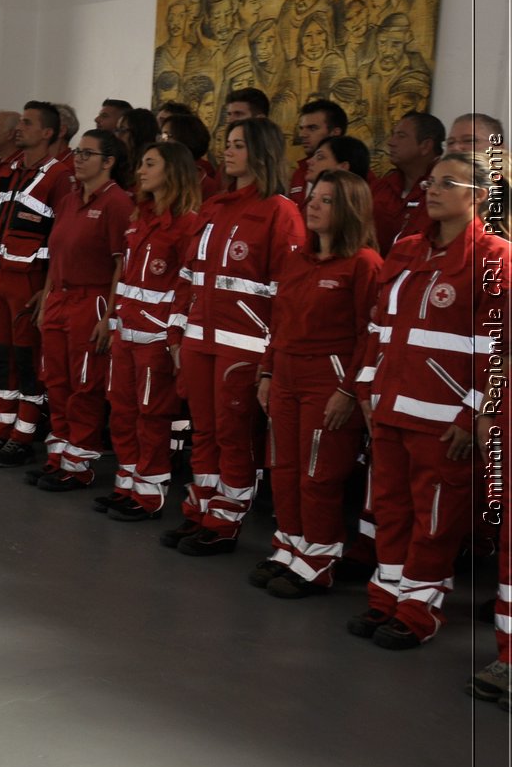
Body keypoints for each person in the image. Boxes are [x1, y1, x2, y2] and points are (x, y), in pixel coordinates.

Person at [351, 152, 508, 647]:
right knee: (391, 510)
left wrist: (473, 413)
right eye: (431, 182)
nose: (432, 190)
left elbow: (499, 346)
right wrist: (367, 388)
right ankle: (387, 598)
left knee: (435, 521)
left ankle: (420, 611)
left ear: (478, 196)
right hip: (392, 406)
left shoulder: (494, 257)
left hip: (444, 420)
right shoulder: (407, 249)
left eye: (448, 183)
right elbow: (380, 327)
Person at [167, 117, 306, 556]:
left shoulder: (280, 211)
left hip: (243, 343)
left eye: (239, 145)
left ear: (261, 152)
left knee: (234, 435)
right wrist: (176, 327)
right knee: (203, 432)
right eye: (227, 144)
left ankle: (225, 521)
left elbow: (288, 290)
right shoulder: (215, 207)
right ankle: (200, 511)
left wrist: (271, 355)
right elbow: (188, 274)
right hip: (197, 338)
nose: (228, 151)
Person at [252, 169, 381, 597]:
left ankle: (319, 559)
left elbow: (370, 335)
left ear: (348, 209)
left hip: (327, 381)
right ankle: (290, 545)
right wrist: (268, 372)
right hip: (286, 374)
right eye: (313, 197)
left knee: (317, 475)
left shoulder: (363, 263)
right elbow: (279, 322)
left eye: (325, 200)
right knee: (282, 470)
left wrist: (349, 390)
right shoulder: (297, 259)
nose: (312, 205)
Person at [103, 140, 203, 520]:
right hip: (126, 332)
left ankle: (149, 493)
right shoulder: (139, 217)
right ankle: (126, 482)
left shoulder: (188, 224)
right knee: (122, 410)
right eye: (141, 164)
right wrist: (116, 322)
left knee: (152, 416)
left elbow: (186, 285)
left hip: (155, 339)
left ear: (172, 172)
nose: (140, 171)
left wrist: (169, 333)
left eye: (150, 164)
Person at [31, 129, 134, 490]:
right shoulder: (70, 198)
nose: (79, 158)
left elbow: (122, 264)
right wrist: (45, 301)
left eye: (88, 154)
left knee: (84, 384)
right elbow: (55, 255)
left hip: (91, 301)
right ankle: (58, 455)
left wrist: (110, 317)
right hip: (59, 297)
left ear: (109, 162)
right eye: (78, 151)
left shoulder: (117, 203)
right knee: (55, 380)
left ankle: (80, 464)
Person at [0, 101, 74, 462]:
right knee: (2, 360)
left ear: (48, 132)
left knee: (27, 363)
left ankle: (23, 435)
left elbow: (61, 237)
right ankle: (1, 430)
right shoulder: (11, 171)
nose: (20, 128)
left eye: (28, 124)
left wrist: (47, 291)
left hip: (29, 282)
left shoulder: (60, 176)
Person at [373, 111, 443, 253]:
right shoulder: (382, 186)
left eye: (401, 136)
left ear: (425, 146)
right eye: (393, 134)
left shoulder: (444, 191)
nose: (391, 142)